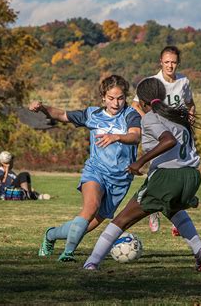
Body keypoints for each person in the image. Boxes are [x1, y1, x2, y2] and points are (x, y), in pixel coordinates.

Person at [83, 77, 201, 272]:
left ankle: (91, 263)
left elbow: (168, 140)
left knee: (122, 219)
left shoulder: (151, 117)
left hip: (167, 177)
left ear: (142, 102)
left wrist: (139, 162)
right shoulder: (179, 115)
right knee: (173, 210)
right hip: (192, 176)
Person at [28, 74, 141, 262]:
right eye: (111, 98)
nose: (116, 103)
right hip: (95, 171)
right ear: (103, 97)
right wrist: (42, 108)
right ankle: (68, 254)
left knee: (87, 225)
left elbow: (135, 136)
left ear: (125, 98)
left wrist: (116, 137)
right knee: (90, 208)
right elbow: (62, 115)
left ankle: (51, 235)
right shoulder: (92, 114)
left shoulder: (130, 115)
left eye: (120, 98)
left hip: (120, 180)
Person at [132, 45, 196, 235]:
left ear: (178, 63)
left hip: (178, 134)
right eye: (167, 62)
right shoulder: (152, 82)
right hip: (160, 134)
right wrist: (149, 120)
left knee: (180, 170)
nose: (170, 66)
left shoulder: (183, 81)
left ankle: (177, 217)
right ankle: (154, 211)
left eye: (174, 62)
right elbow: (135, 104)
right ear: (160, 62)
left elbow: (190, 104)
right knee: (159, 170)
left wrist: (189, 119)